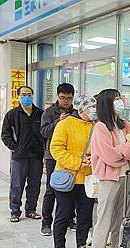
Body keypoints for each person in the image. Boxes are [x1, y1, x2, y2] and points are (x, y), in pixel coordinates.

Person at [90, 89, 130, 248]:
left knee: (121, 219)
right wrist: (126, 148)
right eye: (116, 99)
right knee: (104, 219)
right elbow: (109, 156)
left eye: (120, 98)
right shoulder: (101, 127)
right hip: (109, 179)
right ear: (107, 102)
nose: (120, 102)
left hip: (125, 176)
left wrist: (123, 149)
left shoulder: (123, 124)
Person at [50, 95, 97, 248]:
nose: (95, 110)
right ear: (82, 108)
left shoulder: (96, 126)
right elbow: (56, 149)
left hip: (88, 179)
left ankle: (82, 244)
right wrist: (77, 162)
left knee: (85, 214)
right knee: (63, 213)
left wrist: (94, 160)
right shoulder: (65, 124)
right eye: (92, 107)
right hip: (67, 177)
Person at [1, 86, 44, 223]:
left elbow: (44, 134)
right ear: (19, 96)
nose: (27, 97)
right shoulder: (12, 114)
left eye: (29, 94)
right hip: (19, 157)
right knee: (17, 184)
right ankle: (15, 211)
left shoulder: (40, 113)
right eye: (24, 94)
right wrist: (15, 147)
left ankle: (31, 210)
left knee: (34, 184)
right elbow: (5, 135)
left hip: (36, 156)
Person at [40, 83, 78, 236]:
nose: (66, 101)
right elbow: (43, 132)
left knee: (71, 188)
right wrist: (58, 123)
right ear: (58, 96)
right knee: (52, 189)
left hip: (71, 156)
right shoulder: (49, 112)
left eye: (69, 98)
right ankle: (46, 222)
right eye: (63, 98)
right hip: (53, 156)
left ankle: (69, 219)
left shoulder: (76, 112)